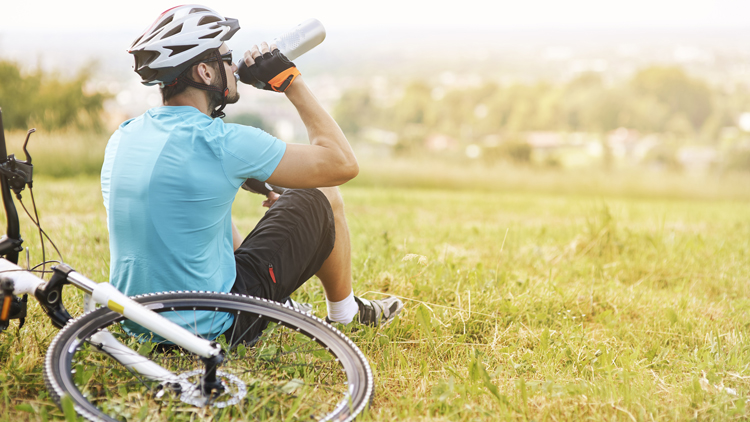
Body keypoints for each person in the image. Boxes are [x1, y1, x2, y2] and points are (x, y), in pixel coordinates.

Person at [101, 4, 403, 341]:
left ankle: (281, 301)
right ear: (205, 72)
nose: (234, 66)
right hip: (212, 328)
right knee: (321, 195)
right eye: (227, 59)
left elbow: (182, 201)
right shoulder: (222, 141)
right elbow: (342, 164)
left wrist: (252, 179)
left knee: (202, 216)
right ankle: (346, 315)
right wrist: (290, 81)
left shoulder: (124, 136)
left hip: (137, 324)